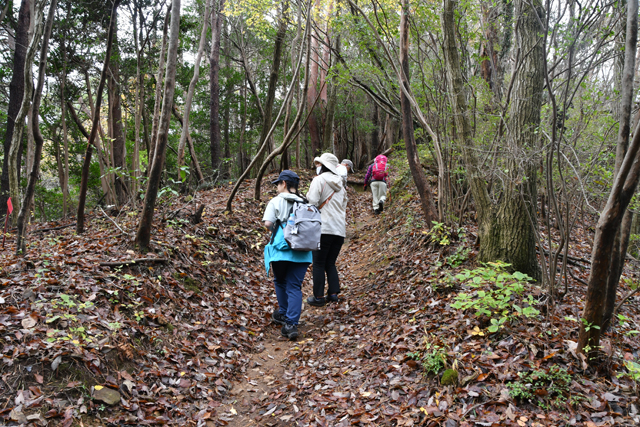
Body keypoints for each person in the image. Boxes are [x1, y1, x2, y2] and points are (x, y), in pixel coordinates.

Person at [263, 170, 312, 340]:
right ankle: (291, 324)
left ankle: (283, 313)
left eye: (277, 183)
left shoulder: (275, 201)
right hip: (303, 251)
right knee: (294, 286)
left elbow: (268, 223)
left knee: (280, 281)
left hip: (281, 250)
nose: (276, 187)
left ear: (284, 183)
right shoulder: (306, 202)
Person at [306, 153, 347, 307]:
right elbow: (343, 205)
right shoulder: (341, 185)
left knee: (318, 263)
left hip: (323, 228)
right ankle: (333, 294)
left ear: (323, 166)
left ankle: (318, 297)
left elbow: (313, 202)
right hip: (339, 229)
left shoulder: (319, 180)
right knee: (330, 262)